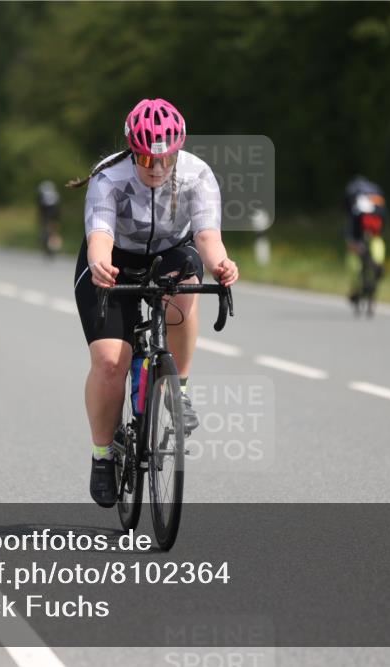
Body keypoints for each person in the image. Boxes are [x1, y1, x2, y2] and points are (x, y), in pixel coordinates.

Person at [69, 98, 239, 508]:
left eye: (165, 157)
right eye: (146, 157)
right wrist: (99, 265)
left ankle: (178, 387)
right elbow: (100, 236)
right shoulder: (109, 177)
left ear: (177, 149)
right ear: (132, 149)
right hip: (114, 259)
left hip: (172, 252)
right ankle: (101, 454)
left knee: (185, 292)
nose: (157, 167)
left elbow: (206, 236)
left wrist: (221, 263)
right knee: (111, 362)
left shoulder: (198, 175)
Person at [344, 175, 388, 310]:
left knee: (353, 263)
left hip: (361, 235)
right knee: (377, 245)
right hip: (374, 236)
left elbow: (351, 227)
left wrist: (351, 241)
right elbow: (384, 222)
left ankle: (355, 289)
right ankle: (377, 265)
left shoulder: (355, 202)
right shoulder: (378, 198)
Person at [37, 180, 62, 257]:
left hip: (47, 212)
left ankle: (49, 243)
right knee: (53, 229)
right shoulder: (55, 194)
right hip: (54, 212)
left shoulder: (42, 194)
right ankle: (53, 241)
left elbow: (40, 207)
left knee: (46, 228)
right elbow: (59, 205)